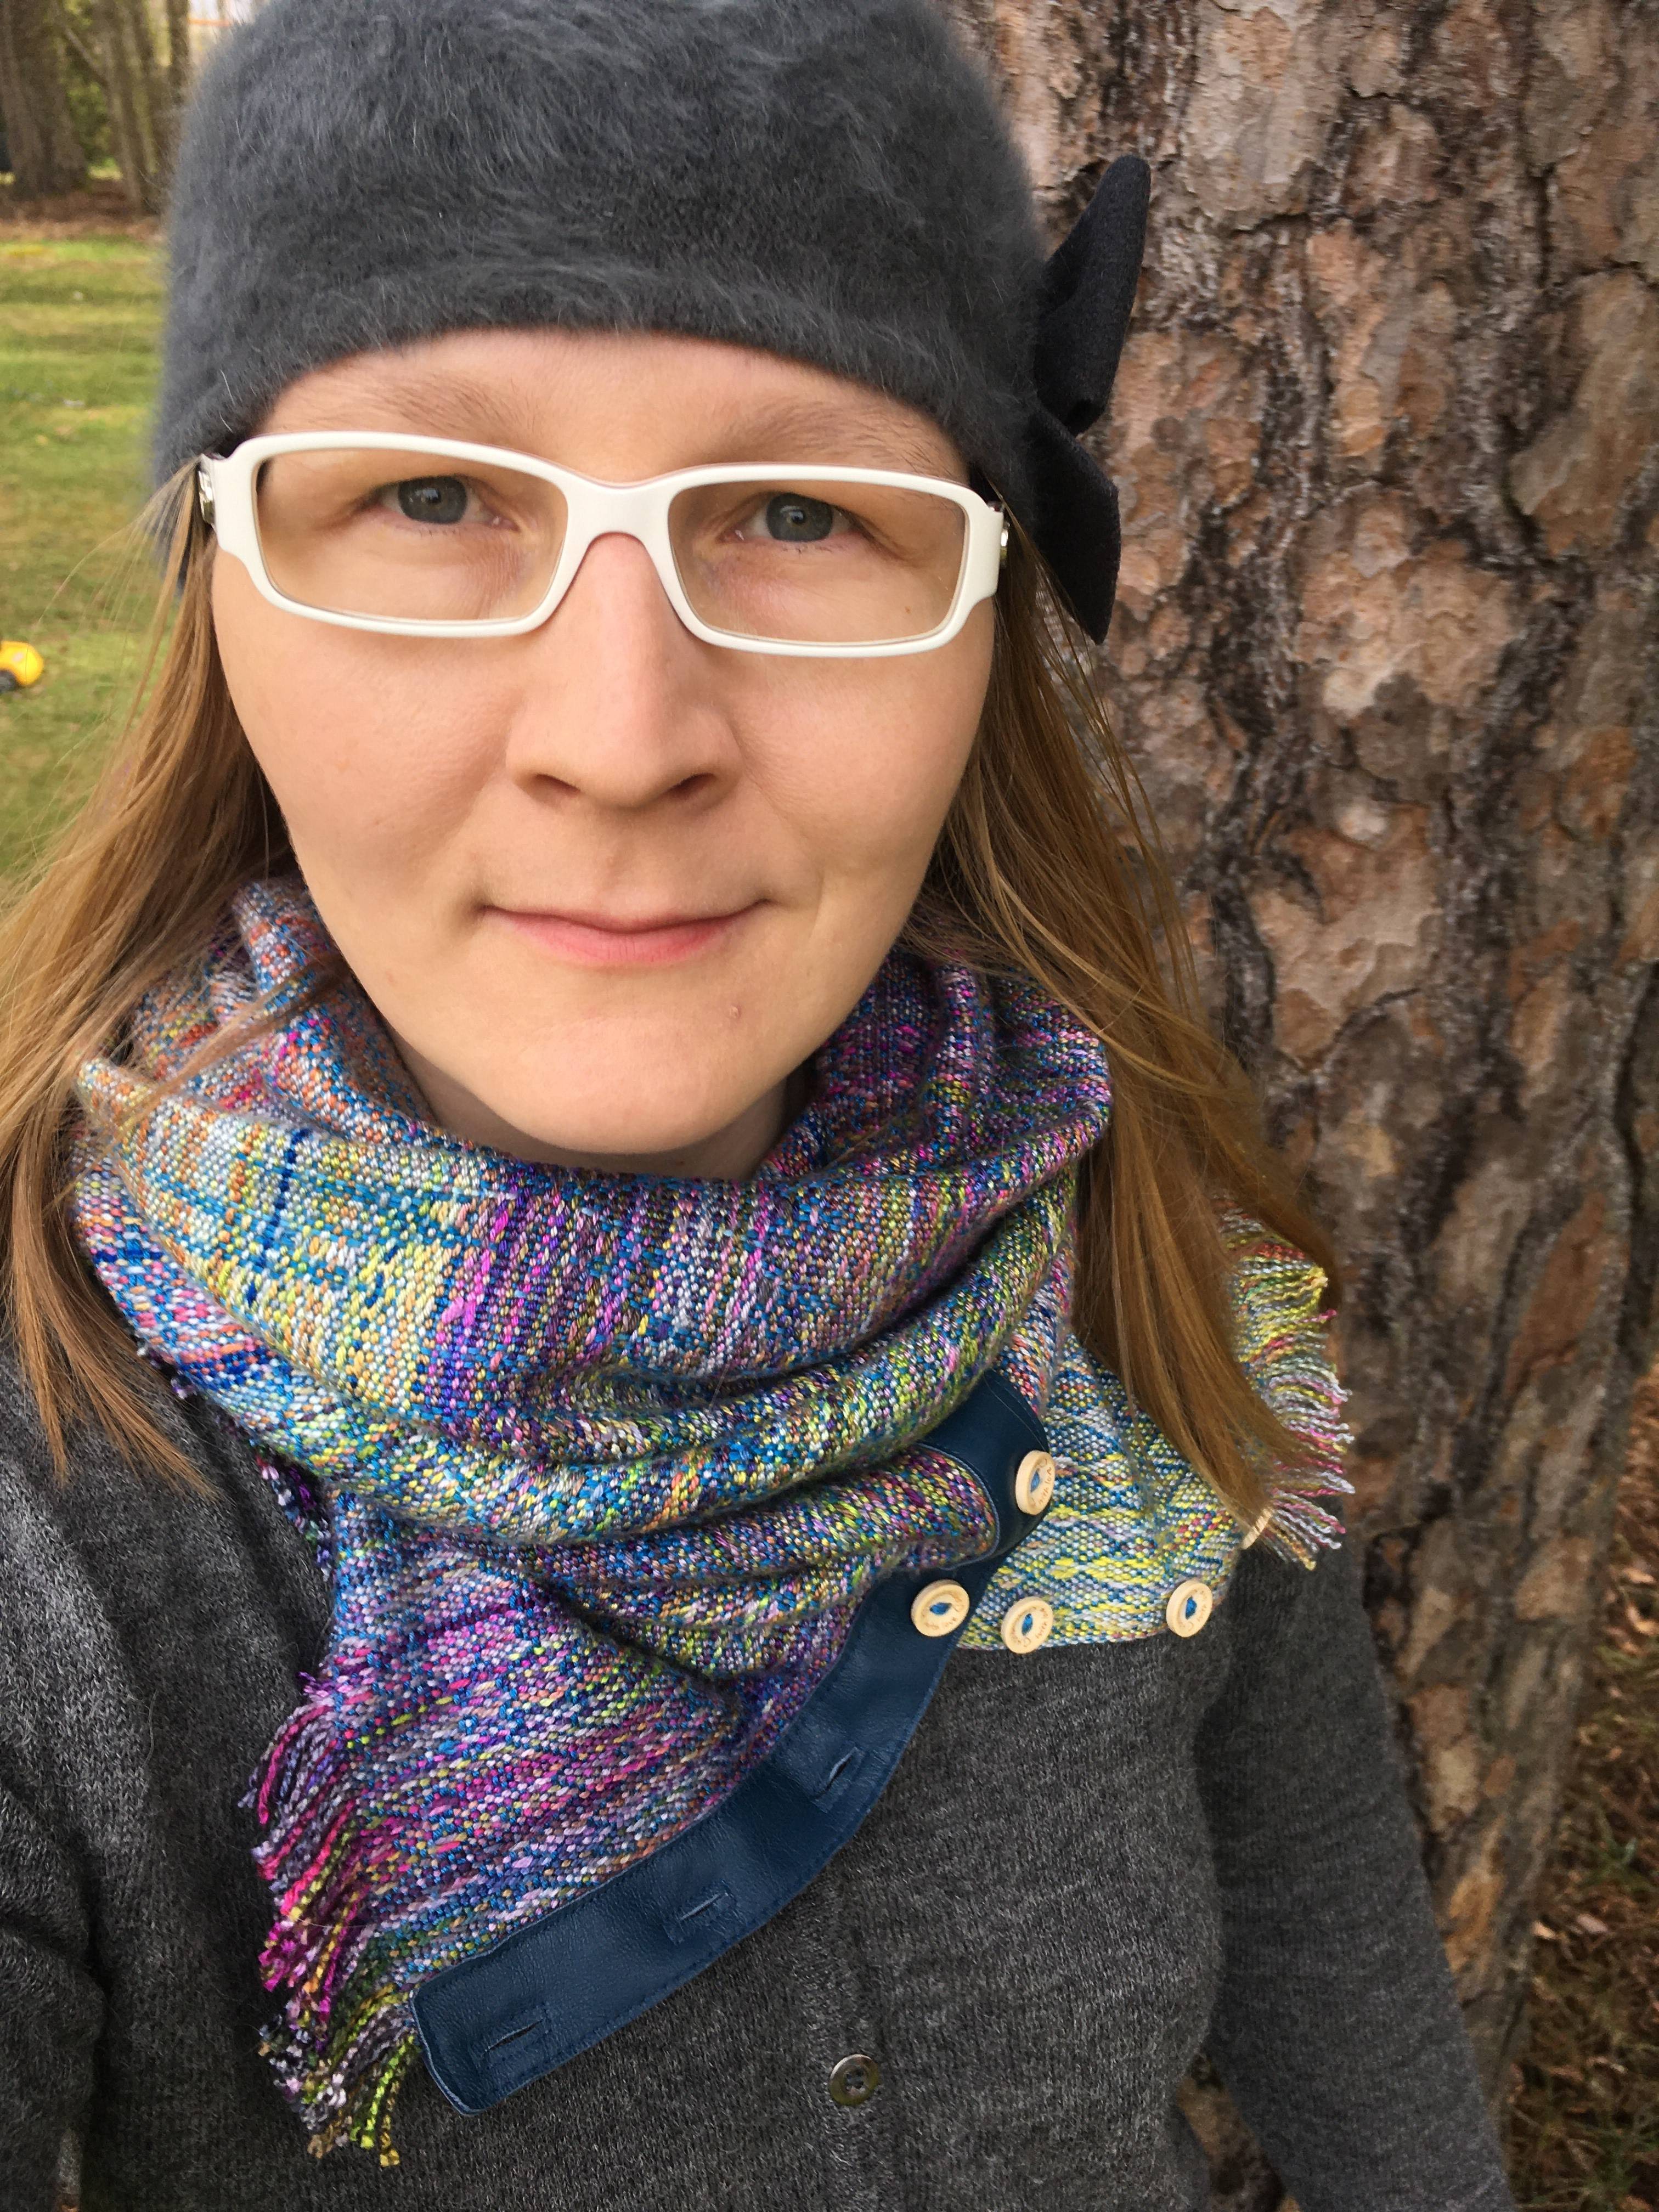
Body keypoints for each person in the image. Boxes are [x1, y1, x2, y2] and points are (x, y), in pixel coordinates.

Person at [0, 2, 1518, 2207]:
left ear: (982, 616)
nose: (623, 739)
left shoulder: (1143, 1289)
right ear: (225, 590)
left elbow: (1350, 1991)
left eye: (801, 510)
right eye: (432, 496)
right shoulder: (56, 1516)